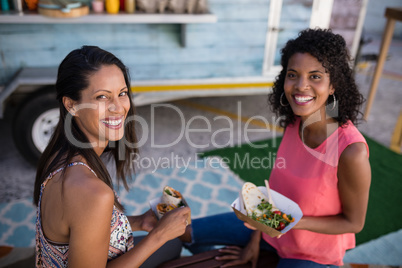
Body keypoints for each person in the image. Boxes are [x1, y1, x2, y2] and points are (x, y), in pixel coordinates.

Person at [184, 28, 371, 268]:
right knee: (184, 231)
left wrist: (289, 222)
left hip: (312, 254)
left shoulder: (351, 152)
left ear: (333, 85)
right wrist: (257, 234)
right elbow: (277, 197)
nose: (301, 86)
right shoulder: (295, 123)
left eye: (315, 76)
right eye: (293, 75)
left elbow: (354, 223)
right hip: (270, 229)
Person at [33, 46, 191, 267]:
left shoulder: (58, 155)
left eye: (122, 93)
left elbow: (79, 224)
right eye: (101, 97)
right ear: (71, 105)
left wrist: (138, 222)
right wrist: (159, 236)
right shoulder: (93, 193)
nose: (118, 108)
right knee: (171, 244)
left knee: (173, 245)